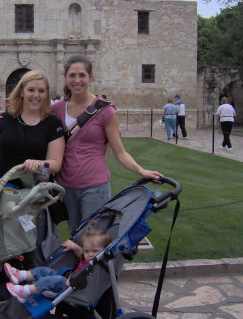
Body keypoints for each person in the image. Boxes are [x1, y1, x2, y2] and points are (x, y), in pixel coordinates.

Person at [52, 55, 162, 233]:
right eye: (72, 75)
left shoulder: (105, 111)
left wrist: (141, 170)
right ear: (65, 77)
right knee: (75, 235)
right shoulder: (57, 109)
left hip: (94, 185)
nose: (77, 80)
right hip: (66, 186)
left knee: (94, 238)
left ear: (90, 77)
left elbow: (120, 152)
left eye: (82, 75)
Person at [0, 70, 65, 184]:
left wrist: (38, 164)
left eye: (41, 91)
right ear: (21, 92)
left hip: (36, 192)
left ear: (46, 94)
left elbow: (55, 163)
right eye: (31, 90)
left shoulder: (53, 124)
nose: (36, 95)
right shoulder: (5, 119)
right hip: (5, 190)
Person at [4, 227, 110, 303]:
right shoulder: (88, 259)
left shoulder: (98, 266)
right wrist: (75, 247)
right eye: (87, 251)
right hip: (68, 279)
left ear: (105, 251)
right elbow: (82, 254)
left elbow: (88, 280)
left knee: (50, 280)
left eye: (95, 251)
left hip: (74, 288)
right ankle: (20, 275)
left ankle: (25, 292)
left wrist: (73, 281)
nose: (90, 254)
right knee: (43, 270)